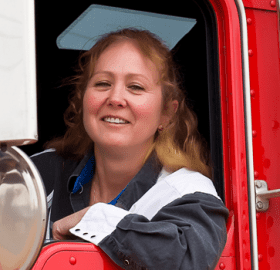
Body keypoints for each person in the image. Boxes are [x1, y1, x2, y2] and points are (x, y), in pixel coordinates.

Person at [31, 28, 228, 269]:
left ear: (166, 113)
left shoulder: (188, 192)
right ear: (83, 101)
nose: (115, 98)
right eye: (103, 83)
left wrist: (94, 220)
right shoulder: (39, 174)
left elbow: (186, 259)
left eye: (135, 87)